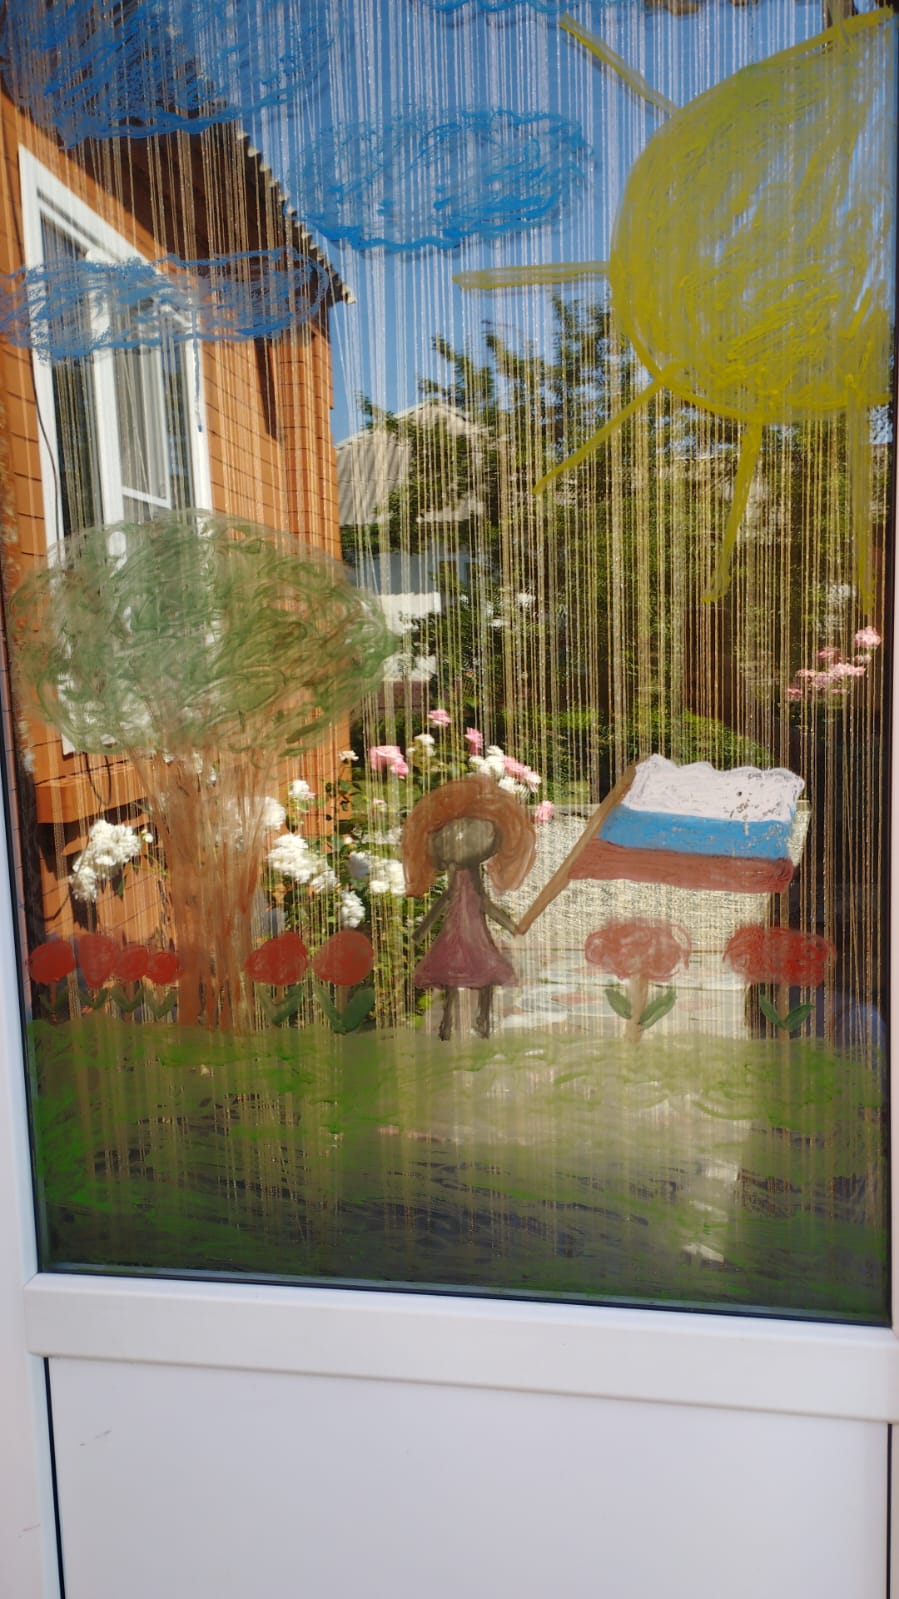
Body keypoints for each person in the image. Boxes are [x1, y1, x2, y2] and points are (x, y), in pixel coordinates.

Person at [402, 774, 536, 1040]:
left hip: (469, 934)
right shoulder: (464, 878)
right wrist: (512, 926)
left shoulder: (469, 879)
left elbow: (476, 903)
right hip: (462, 934)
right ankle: (462, 1020)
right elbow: (461, 902)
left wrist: (511, 926)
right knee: (474, 976)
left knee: (468, 976)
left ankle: (465, 1020)